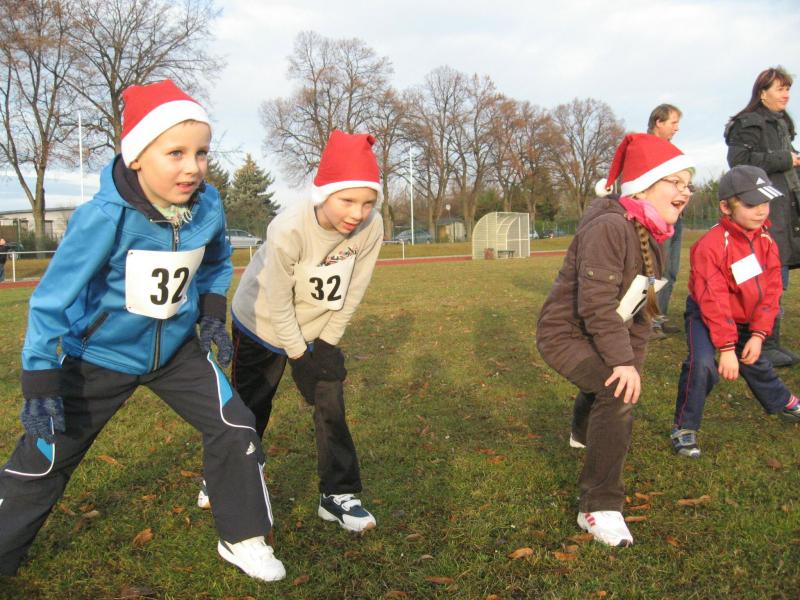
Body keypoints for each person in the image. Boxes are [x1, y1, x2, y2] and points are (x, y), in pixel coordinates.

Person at [0, 80, 285, 582]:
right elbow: (50, 301)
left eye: (201, 153)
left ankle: (243, 536)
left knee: (236, 425)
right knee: (46, 455)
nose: (192, 167)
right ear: (136, 157)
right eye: (175, 153)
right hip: (98, 356)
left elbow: (217, 261)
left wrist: (211, 312)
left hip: (176, 352)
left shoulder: (209, 205)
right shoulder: (102, 217)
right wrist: (40, 382)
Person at [201, 129, 383, 533]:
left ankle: (337, 494)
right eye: (347, 201)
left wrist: (326, 346)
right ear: (324, 194)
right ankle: (223, 476)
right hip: (261, 322)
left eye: (368, 202)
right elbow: (278, 302)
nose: (358, 212)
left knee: (330, 405)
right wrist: (299, 358)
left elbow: (353, 290)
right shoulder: (288, 228)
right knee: (250, 407)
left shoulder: (372, 227)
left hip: (317, 330)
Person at [537, 133, 694, 547]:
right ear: (642, 188)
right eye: (675, 181)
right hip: (564, 333)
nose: (685, 191)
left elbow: (642, 314)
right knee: (616, 389)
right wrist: (623, 367)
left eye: (689, 184)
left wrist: (632, 364)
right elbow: (596, 307)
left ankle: (582, 431)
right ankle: (599, 505)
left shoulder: (654, 238)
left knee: (621, 383)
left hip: (598, 331)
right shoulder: (609, 227)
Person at [671, 166, 800, 458]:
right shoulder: (710, 245)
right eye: (752, 204)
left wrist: (758, 334)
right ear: (726, 207)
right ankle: (684, 427)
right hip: (706, 316)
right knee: (702, 364)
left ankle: (786, 403)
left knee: (756, 362)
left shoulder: (767, 241)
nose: (761, 210)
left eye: (765, 202)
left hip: (745, 319)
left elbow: (771, 292)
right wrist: (727, 347)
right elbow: (713, 300)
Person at [725, 66, 800, 367]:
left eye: (788, 88)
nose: (786, 94)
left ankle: (770, 340)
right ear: (762, 92)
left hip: (785, 211)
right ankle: (757, 342)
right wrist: (785, 159)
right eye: (780, 88)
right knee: (763, 279)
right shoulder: (747, 123)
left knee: (777, 280)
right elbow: (738, 162)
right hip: (761, 212)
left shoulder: (781, 123)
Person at [648, 104, 683, 337]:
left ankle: (659, 318)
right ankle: (648, 322)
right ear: (658, 122)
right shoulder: (644, 149)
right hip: (656, 217)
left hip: (676, 215)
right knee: (655, 270)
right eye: (673, 122)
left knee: (671, 271)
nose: (676, 128)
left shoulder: (673, 151)